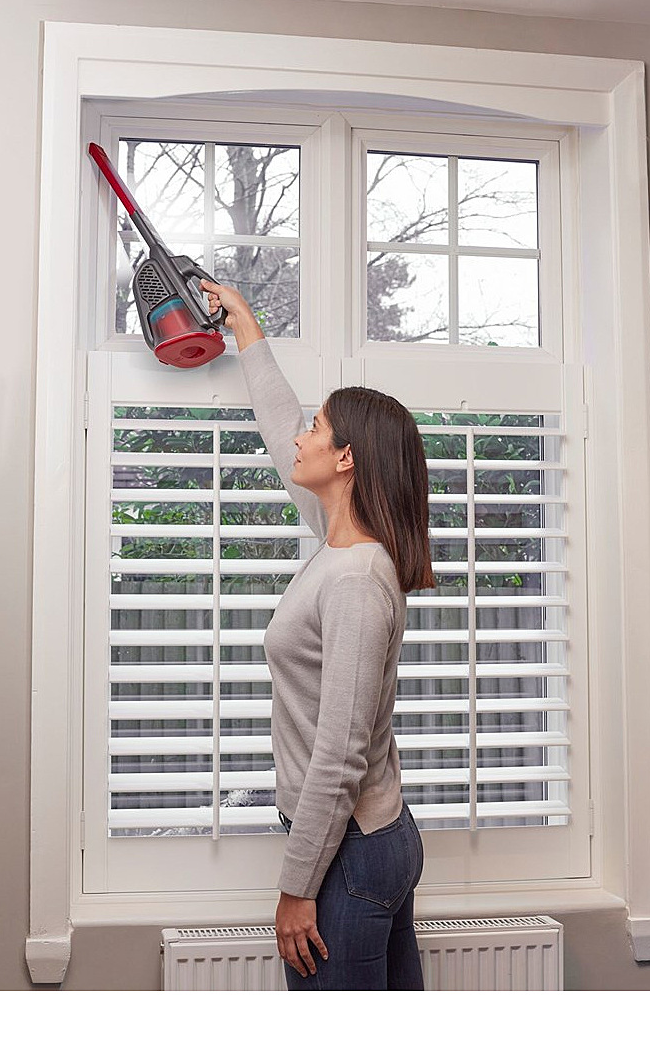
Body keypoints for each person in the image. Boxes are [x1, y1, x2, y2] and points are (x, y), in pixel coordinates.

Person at [198, 278, 434, 992]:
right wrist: (245, 326)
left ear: (346, 459)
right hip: (369, 843)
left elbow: (339, 754)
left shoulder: (356, 578)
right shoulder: (340, 546)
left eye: (318, 429)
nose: (302, 436)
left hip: (351, 856)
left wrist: (297, 888)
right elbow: (281, 431)